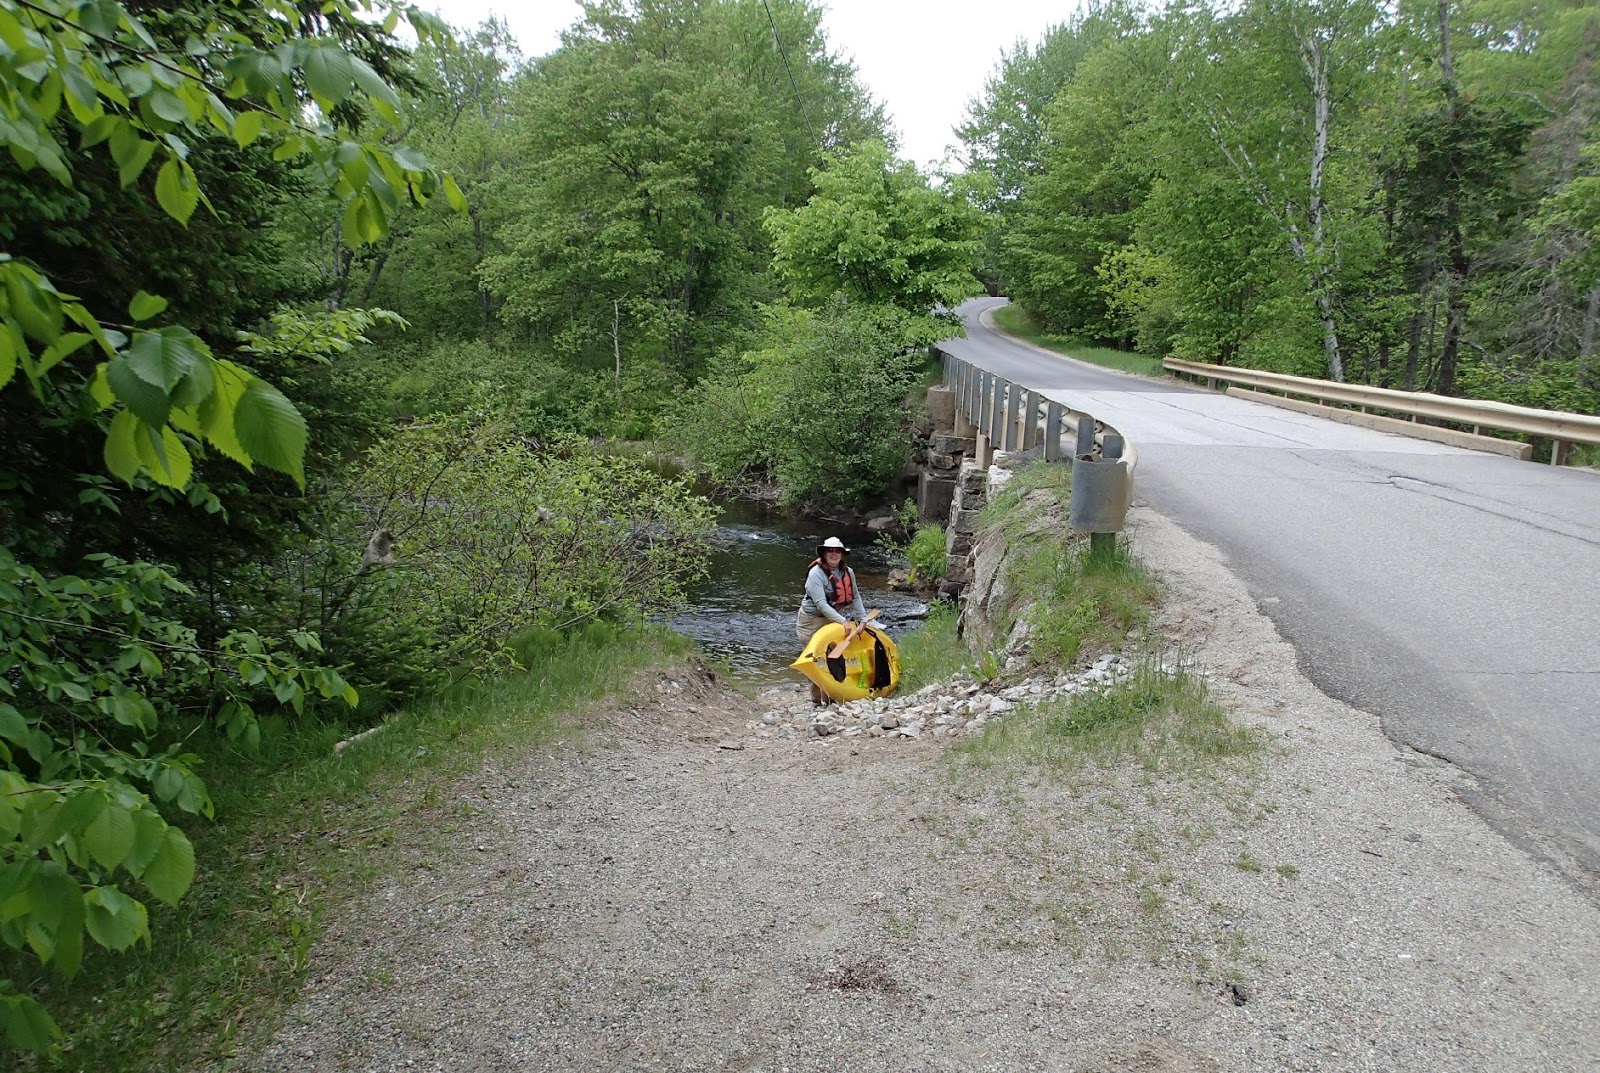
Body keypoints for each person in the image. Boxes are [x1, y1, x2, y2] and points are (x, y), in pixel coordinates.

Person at [797, 536, 868, 705]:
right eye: (830, 551)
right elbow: (821, 604)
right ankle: (816, 700)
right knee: (815, 659)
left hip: (833, 619)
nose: (834, 554)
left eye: (837, 551)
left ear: (842, 554)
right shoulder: (816, 574)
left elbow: (855, 597)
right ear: (824, 553)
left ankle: (831, 697)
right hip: (811, 621)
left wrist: (862, 619)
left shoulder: (848, 572)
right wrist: (843, 621)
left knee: (834, 658)